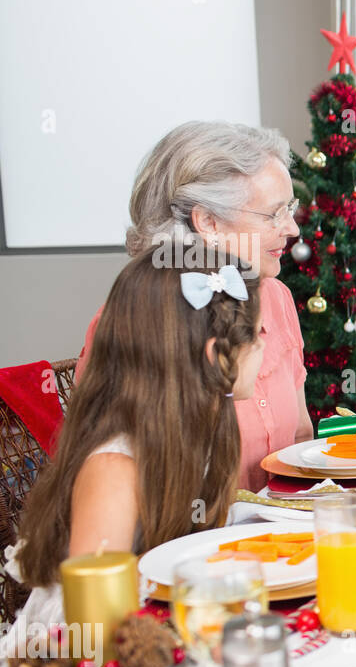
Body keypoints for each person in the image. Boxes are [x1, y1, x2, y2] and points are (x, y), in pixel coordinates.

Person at [6, 248, 263, 633]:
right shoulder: (115, 472)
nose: (263, 346)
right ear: (217, 358)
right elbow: (90, 626)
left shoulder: (198, 427)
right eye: (258, 335)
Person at [75, 121, 310, 491]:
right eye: (275, 213)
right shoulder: (136, 319)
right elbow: (114, 479)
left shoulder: (275, 297)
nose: (293, 228)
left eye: (290, 208)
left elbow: (300, 436)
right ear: (208, 222)